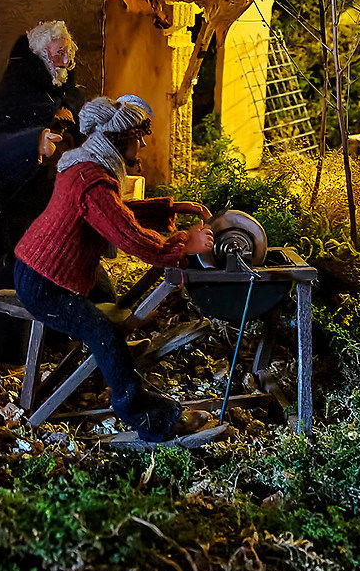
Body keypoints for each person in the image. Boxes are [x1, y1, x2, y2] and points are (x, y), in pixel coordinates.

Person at [12, 94, 219, 446]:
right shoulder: (93, 181)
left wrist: (171, 208)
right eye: (139, 135)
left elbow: (117, 212)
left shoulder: (86, 164)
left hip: (45, 268)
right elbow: (128, 235)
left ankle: (110, 365)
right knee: (104, 331)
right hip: (43, 284)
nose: (143, 142)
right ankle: (149, 418)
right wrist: (183, 246)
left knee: (110, 301)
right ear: (119, 139)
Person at [0, 20, 83, 363]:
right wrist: (33, 141)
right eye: (58, 53)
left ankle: (52, 344)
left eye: (68, 53)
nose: (65, 61)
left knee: (55, 269)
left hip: (53, 200)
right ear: (40, 55)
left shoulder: (65, 89)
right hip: (18, 205)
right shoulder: (18, 90)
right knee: (16, 275)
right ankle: (10, 354)